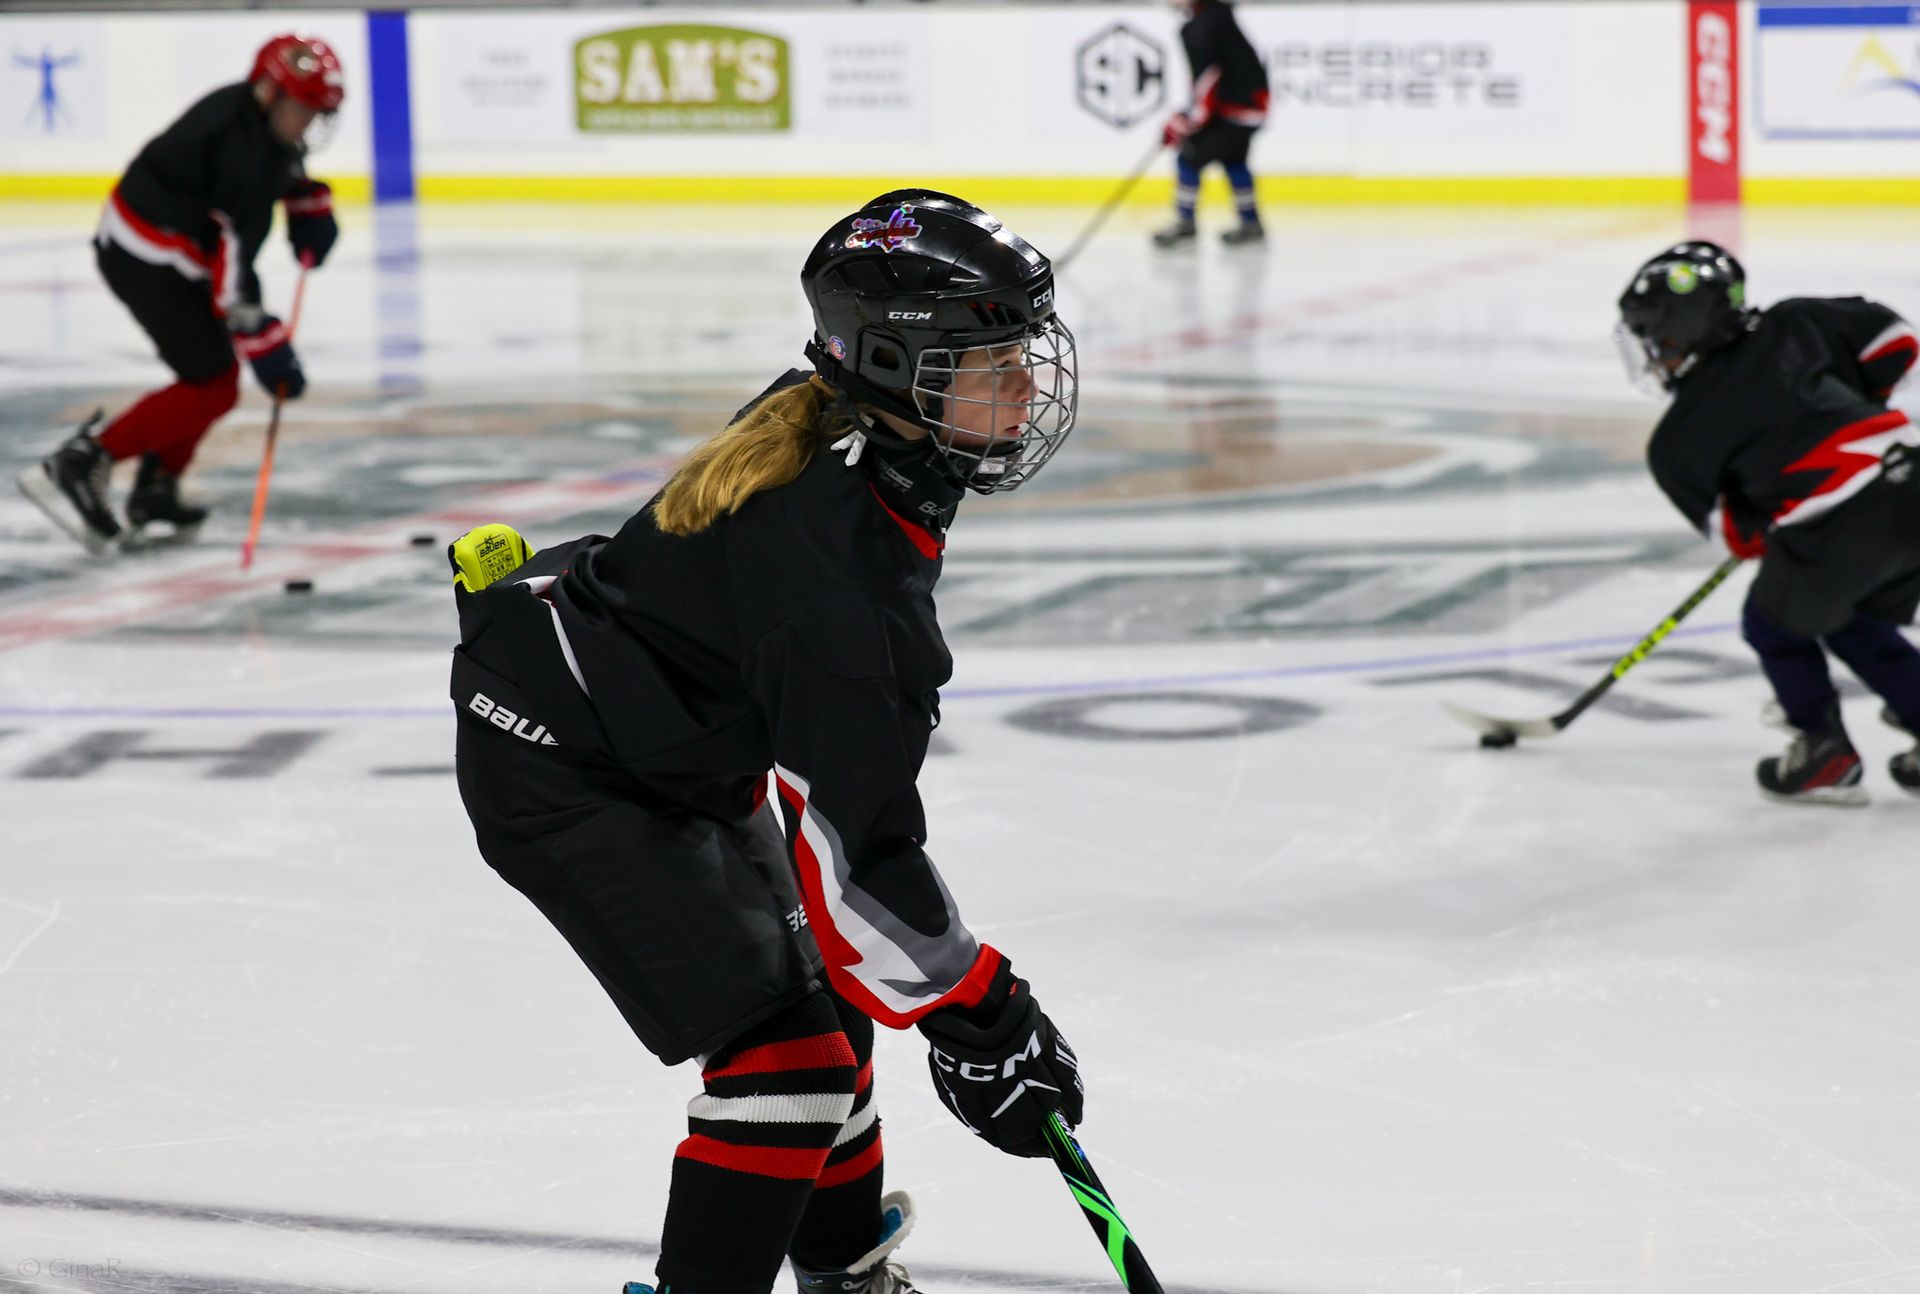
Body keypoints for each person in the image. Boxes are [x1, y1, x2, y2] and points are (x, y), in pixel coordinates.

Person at [446, 191, 1084, 1294]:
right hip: (564, 759)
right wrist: (984, 1008)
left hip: (657, 729)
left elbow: (849, 898)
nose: (1026, 384)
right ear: (896, 367)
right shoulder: (835, 587)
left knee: (830, 1004)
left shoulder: (847, 432)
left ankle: (842, 1271)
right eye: (991, 359)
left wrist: (956, 1005)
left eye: (1024, 351)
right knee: (782, 1064)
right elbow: (857, 869)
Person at [1617, 240, 1920, 803]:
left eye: (1649, 334)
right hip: (1912, 479)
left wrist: (1769, 505)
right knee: (1851, 621)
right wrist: (1849, 405)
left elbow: (1740, 538)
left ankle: (1823, 748)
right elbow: (1897, 343)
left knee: (1772, 624)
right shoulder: (1796, 321)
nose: (1650, 350)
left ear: (1678, 328)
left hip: (1840, 527)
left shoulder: (1678, 441)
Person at [15, 33, 343, 553]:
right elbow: (232, 270)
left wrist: (302, 196)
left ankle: (156, 487)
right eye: (304, 108)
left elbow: (267, 178)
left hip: (165, 243)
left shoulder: (252, 123)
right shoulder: (244, 158)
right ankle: (81, 463)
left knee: (211, 376)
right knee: (213, 383)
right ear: (269, 93)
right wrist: (261, 335)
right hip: (147, 256)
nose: (310, 122)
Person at [1153, 0, 1269, 249]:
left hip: (1234, 110)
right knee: (1234, 159)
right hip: (1249, 107)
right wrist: (1189, 117)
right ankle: (1251, 222)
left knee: (1189, 155)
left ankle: (1186, 223)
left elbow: (1209, 81)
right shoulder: (1215, 15)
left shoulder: (1200, 26)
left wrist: (1186, 122)